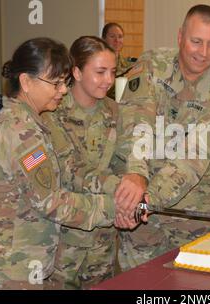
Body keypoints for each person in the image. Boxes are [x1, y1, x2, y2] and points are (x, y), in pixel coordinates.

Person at [0, 38, 125, 289]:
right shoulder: (23, 133)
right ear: (26, 81)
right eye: (56, 83)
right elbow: (52, 202)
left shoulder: (15, 121)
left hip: (6, 262)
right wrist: (116, 207)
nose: (62, 90)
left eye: (64, 82)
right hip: (7, 270)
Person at [112, 4, 210, 271]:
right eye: (196, 41)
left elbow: (193, 158)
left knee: (190, 283)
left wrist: (147, 199)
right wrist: (136, 175)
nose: (203, 53)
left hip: (190, 212)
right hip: (139, 199)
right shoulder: (151, 65)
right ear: (180, 36)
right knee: (140, 282)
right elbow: (136, 122)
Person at [41, 36, 145, 289]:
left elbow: (127, 159)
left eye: (112, 72)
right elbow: (70, 172)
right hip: (62, 237)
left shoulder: (115, 111)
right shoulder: (52, 112)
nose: (108, 80)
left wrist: (135, 188)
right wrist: (123, 194)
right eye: (100, 72)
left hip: (102, 236)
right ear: (76, 72)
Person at [102, 22, 137, 99]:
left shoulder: (130, 65)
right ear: (103, 39)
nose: (117, 40)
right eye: (112, 36)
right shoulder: (99, 64)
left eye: (120, 37)